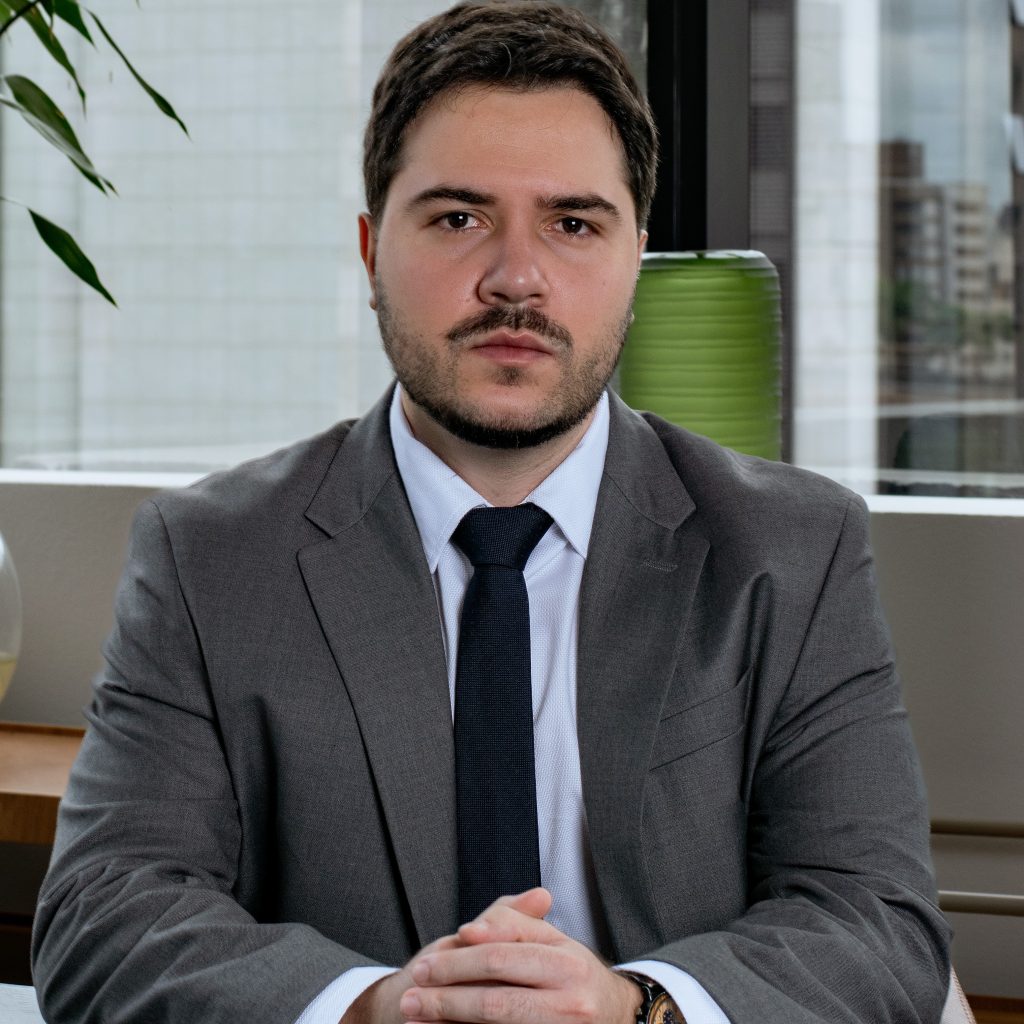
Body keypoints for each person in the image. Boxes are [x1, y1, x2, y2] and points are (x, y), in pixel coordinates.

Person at [32, 3, 951, 1023]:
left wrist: (637, 1008)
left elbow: (875, 919)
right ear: (371, 251)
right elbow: (102, 918)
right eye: (458, 219)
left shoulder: (794, 549)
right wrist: (375, 1008)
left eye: (573, 224)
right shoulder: (209, 557)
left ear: (634, 259)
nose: (516, 278)